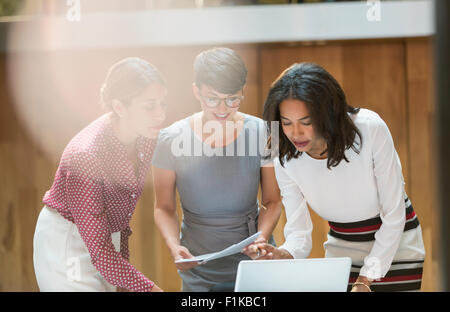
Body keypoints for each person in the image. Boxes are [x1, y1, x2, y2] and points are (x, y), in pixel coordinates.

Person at [251, 62, 426, 292]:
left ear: (328, 114)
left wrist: (366, 279)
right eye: (286, 123)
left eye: (306, 122)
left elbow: (394, 213)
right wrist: (284, 254)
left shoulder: (369, 129)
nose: (296, 133)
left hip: (398, 245)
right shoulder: (284, 158)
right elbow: (298, 232)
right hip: (343, 249)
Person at [151, 47, 282, 292]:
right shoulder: (170, 139)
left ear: (243, 91)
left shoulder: (264, 132)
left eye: (232, 98)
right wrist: (173, 245)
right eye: (212, 99)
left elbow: (273, 201)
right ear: (196, 91)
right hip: (199, 268)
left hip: (254, 261)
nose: (223, 109)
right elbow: (164, 207)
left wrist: (262, 237)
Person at [33, 57, 166, 292]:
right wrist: (151, 290)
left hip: (107, 239)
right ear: (119, 107)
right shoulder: (85, 156)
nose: (160, 115)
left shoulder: (147, 133)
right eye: (149, 106)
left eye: (161, 103)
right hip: (68, 244)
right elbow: (102, 254)